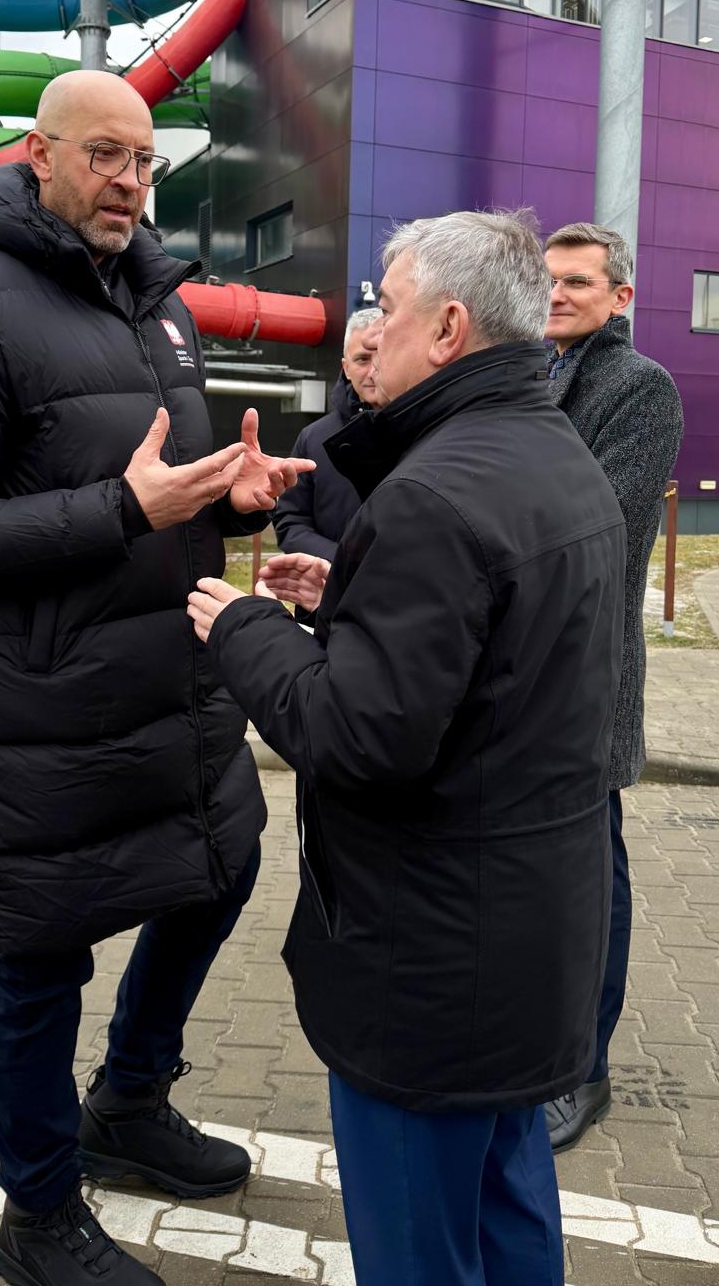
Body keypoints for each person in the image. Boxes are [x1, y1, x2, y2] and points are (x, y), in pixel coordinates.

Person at [0, 69, 314, 1286]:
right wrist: (121, 509)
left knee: (222, 867)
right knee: (44, 954)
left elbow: (163, 482)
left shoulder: (155, 302)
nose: (128, 181)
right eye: (104, 155)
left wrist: (230, 497)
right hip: (43, 707)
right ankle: (39, 1214)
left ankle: (128, 1101)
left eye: (144, 159)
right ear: (40, 154)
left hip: (177, 683)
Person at [186, 209, 627, 1286]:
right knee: (508, 1207)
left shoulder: (431, 493)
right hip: (523, 941)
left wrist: (244, 631)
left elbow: (356, 736)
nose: (369, 329)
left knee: (420, 1251)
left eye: (386, 306)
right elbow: (497, 649)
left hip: (432, 961)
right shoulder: (550, 453)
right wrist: (356, 593)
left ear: (448, 328)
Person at [540, 222, 684, 1153]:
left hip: (588, 667)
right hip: (520, 663)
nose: (557, 295)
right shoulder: (530, 371)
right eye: (549, 280)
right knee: (544, 877)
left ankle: (583, 1070)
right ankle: (538, 1045)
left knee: (594, 875)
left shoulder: (639, 387)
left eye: (578, 283)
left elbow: (596, 526)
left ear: (620, 297)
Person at [271, 307, 383, 616]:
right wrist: (342, 562)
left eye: (381, 357)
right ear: (345, 368)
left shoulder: (423, 432)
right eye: (362, 359)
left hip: (393, 605)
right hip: (320, 603)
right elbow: (290, 520)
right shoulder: (313, 438)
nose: (373, 370)